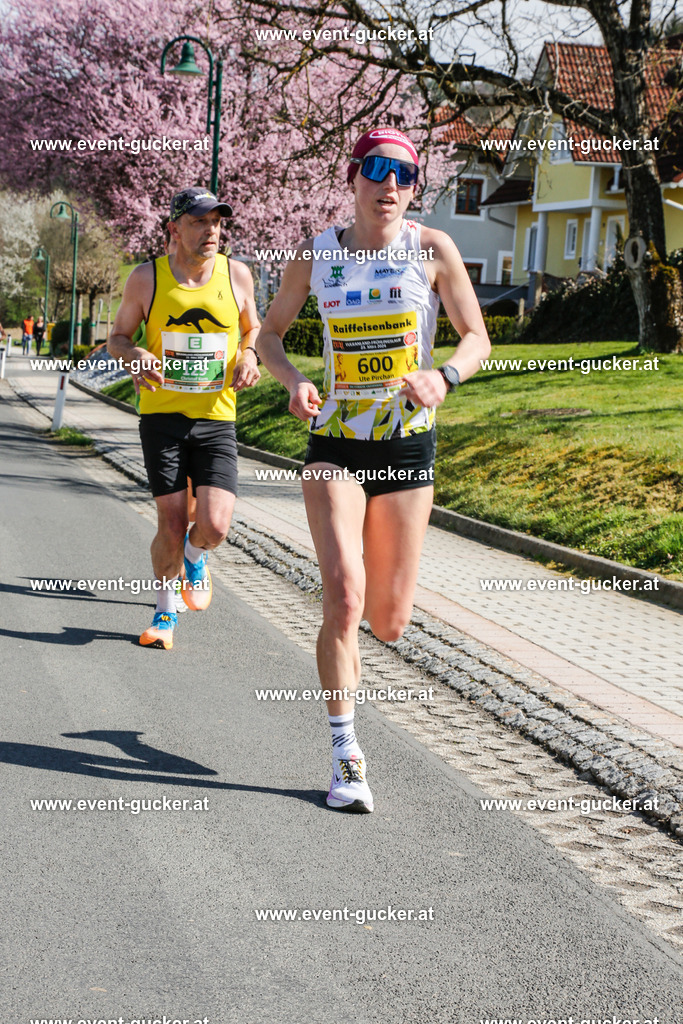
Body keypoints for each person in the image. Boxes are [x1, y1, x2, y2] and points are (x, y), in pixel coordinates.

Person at [256, 127, 491, 813]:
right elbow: (268, 334)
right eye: (377, 171)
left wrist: (443, 376)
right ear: (353, 178)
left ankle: (356, 701)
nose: (390, 185)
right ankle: (345, 755)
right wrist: (293, 380)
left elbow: (476, 336)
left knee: (388, 620)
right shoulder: (317, 253)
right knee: (344, 595)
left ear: (414, 188)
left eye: (405, 175)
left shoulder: (432, 249)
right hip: (335, 441)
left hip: (407, 444)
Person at [108, 186, 261, 650]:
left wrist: (249, 355)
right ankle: (163, 612)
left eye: (216, 222)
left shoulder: (237, 275)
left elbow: (253, 326)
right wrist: (134, 353)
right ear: (174, 229)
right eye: (198, 222)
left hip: (217, 418)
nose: (210, 230)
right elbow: (117, 337)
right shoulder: (146, 278)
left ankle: (196, 557)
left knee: (214, 525)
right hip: (162, 417)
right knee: (171, 523)